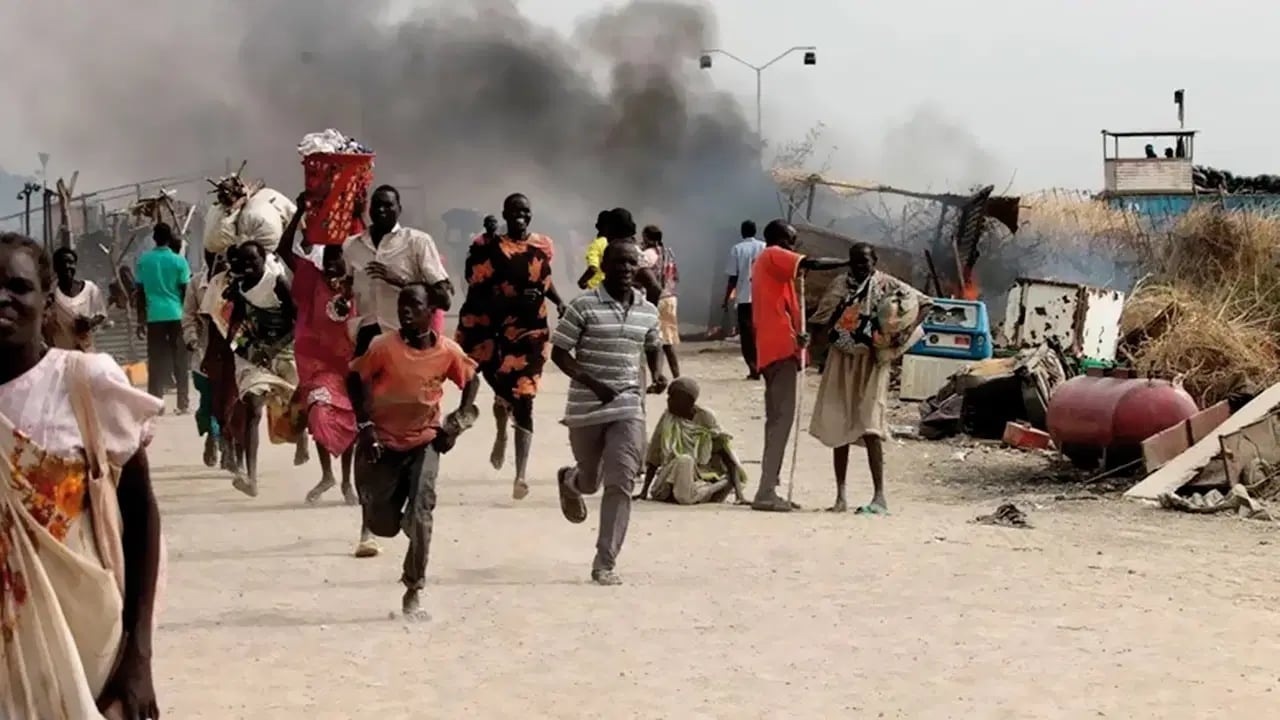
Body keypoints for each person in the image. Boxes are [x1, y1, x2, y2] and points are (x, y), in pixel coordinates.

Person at [0, 232, 164, 719]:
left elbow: (141, 516)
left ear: (47, 299)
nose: (3, 298)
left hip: (88, 642)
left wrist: (139, 656)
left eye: (18, 286)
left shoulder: (85, 381)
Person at [349, 282, 479, 618]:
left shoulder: (447, 351)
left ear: (430, 311)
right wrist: (365, 426)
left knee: (422, 512)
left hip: (425, 440)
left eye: (414, 305)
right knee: (383, 525)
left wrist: (457, 423)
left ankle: (413, 588)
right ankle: (401, 518)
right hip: (384, 444)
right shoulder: (383, 347)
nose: (405, 311)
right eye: (402, 305)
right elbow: (355, 379)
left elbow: (471, 378)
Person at [551, 241, 664, 586]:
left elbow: (653, 344)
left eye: (632, 263)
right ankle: (571, 481)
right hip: (586, 408)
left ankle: (605, 562)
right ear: (603, 265)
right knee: (591, 482)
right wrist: (593, 383)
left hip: (628, 405)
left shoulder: (648, 310)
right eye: (618, 262)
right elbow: (559, 353)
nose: (626, 269)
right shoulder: (583, 306)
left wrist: (658, 373)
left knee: (621, 480)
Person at [456, 192, 565, 501]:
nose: (521, 215)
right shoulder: (491, 246)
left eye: (525, 210)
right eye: (514, 210)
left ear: (531, 214)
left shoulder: (543, 245)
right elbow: (475, 281)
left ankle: (520, 475)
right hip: (497, 327)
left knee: (525, 397)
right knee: (502, 389)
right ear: (504, 214)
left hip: (531, 331)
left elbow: (544, 279)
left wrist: (559, 302)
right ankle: (501, 428)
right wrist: (512, 297)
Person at [809, 242, 930, 514]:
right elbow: (822, 319)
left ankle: (879, 496)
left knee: (871, 424)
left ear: (874, 261)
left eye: (865, 261)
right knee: (839, 422)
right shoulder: (840, 285)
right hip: (842, 357)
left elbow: (925, 304)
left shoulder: (888, 285)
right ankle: (840, 496)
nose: (860, 266)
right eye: (855, 262)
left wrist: (901, 335)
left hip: (873, 361)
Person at [749, 219, 848, 513]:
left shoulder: (776, 272)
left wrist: (798, 335)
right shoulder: (772, 255)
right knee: (781, 422)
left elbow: (782, 311)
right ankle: (766, 491)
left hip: (781, 348)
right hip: (779, 351)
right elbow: (811, 263)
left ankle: (770, 486)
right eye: (790, 241)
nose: (793, 247)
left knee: (777, 421)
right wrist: (846, 261)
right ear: (779, 240)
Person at [278, 197, 360, 505]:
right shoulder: (311, 278)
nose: (333, 265)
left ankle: (347, 482)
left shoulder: (356, 282)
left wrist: (358, 212)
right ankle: (327, 475)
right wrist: (299, 211)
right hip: (317, 365)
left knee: (350, 420)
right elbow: (284, 249)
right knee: (320, 413)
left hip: (350, 364)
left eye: (338, 259)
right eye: (329, 259)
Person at [225, 240, 307, 497]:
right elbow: (236, 321)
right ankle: (251, 479)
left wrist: (273, 349)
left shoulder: (277, 283)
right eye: (244, 261)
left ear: (263, 260)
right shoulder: (239, 287)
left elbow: (298, 322)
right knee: (253, 407)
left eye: (254, 260)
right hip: (255, 354)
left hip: (284, 350)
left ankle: (301, 439)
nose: (249, 265)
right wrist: (237, 345)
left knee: (297, 406)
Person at [342, 185, 452, 357]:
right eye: (376, 205)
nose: (381, 210)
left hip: (406, 336)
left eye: (388, 205)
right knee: (356, 374)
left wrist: (401, 282)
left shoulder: (418, 242)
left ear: (399, 209)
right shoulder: (351, 245)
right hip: (367, 335)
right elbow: (345, 288)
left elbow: (444, 300)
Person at [635, 377, 747, 505]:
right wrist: (644, 491)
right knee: (684, 461)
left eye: (672, 398)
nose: (668, 400)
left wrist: (739, 495)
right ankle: (703, 491)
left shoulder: (705, 418)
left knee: (686, 465)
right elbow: (654, 456)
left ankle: (701, 490)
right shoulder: (667, 418)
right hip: (669, 480)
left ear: (687, 401)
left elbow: (727, 456)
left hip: (699, 478)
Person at [135, 222, 192, 414]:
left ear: (154, 238)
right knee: (180, 359)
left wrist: (140, 319)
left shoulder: (144, 261)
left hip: (154, 316)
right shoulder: (179, 261)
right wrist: (189, 317)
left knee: (156, 360)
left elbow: (140, 292)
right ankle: (183, 403)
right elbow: (185, 291)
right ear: (170, 238)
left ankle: (156, 404)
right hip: (176, 314)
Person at [182, 250, 224, 468]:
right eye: (216, 256)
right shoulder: (196, 283)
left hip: (232, 354)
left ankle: (225, 442)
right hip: (204, 353)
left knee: (229, 403)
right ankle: (212, 435)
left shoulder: (238, 281)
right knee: (208, 402)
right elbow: (188, 315)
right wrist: (191, 338)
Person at [722, 220, 766, 379]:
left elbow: (733, 278)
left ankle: (753, 368)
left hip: (744, 298)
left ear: (742, 232)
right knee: (761, 333)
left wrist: (726, 298)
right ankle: (763, 365)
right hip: (763, 298)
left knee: (747, 336)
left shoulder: (737, 249)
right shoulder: (765, 247)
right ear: (755, 231)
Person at [44, 246, 110, 352]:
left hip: (86, 350)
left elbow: (101, 314)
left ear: (75, 265)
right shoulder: (50, 295)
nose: (67, 266)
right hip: (62, 352)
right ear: (55, 267)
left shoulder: (90, 288)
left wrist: (90, 323)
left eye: (70, 262)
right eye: (62, 263)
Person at [641, 224, 680, 383]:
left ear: (646, 237)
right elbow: (676, 276)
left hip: (656, 299)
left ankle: (657, 378)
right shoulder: (668, 252)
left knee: (654, 340)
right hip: (671, 297)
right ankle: (677, 377)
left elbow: (640, 275)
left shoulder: (647, 255)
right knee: (667, 340)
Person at [575, 211, 609, 290]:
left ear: (597, 226)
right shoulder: (617, 244)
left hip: (597, 288)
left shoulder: (597, 244)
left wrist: (582, 281)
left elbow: (593, 268)